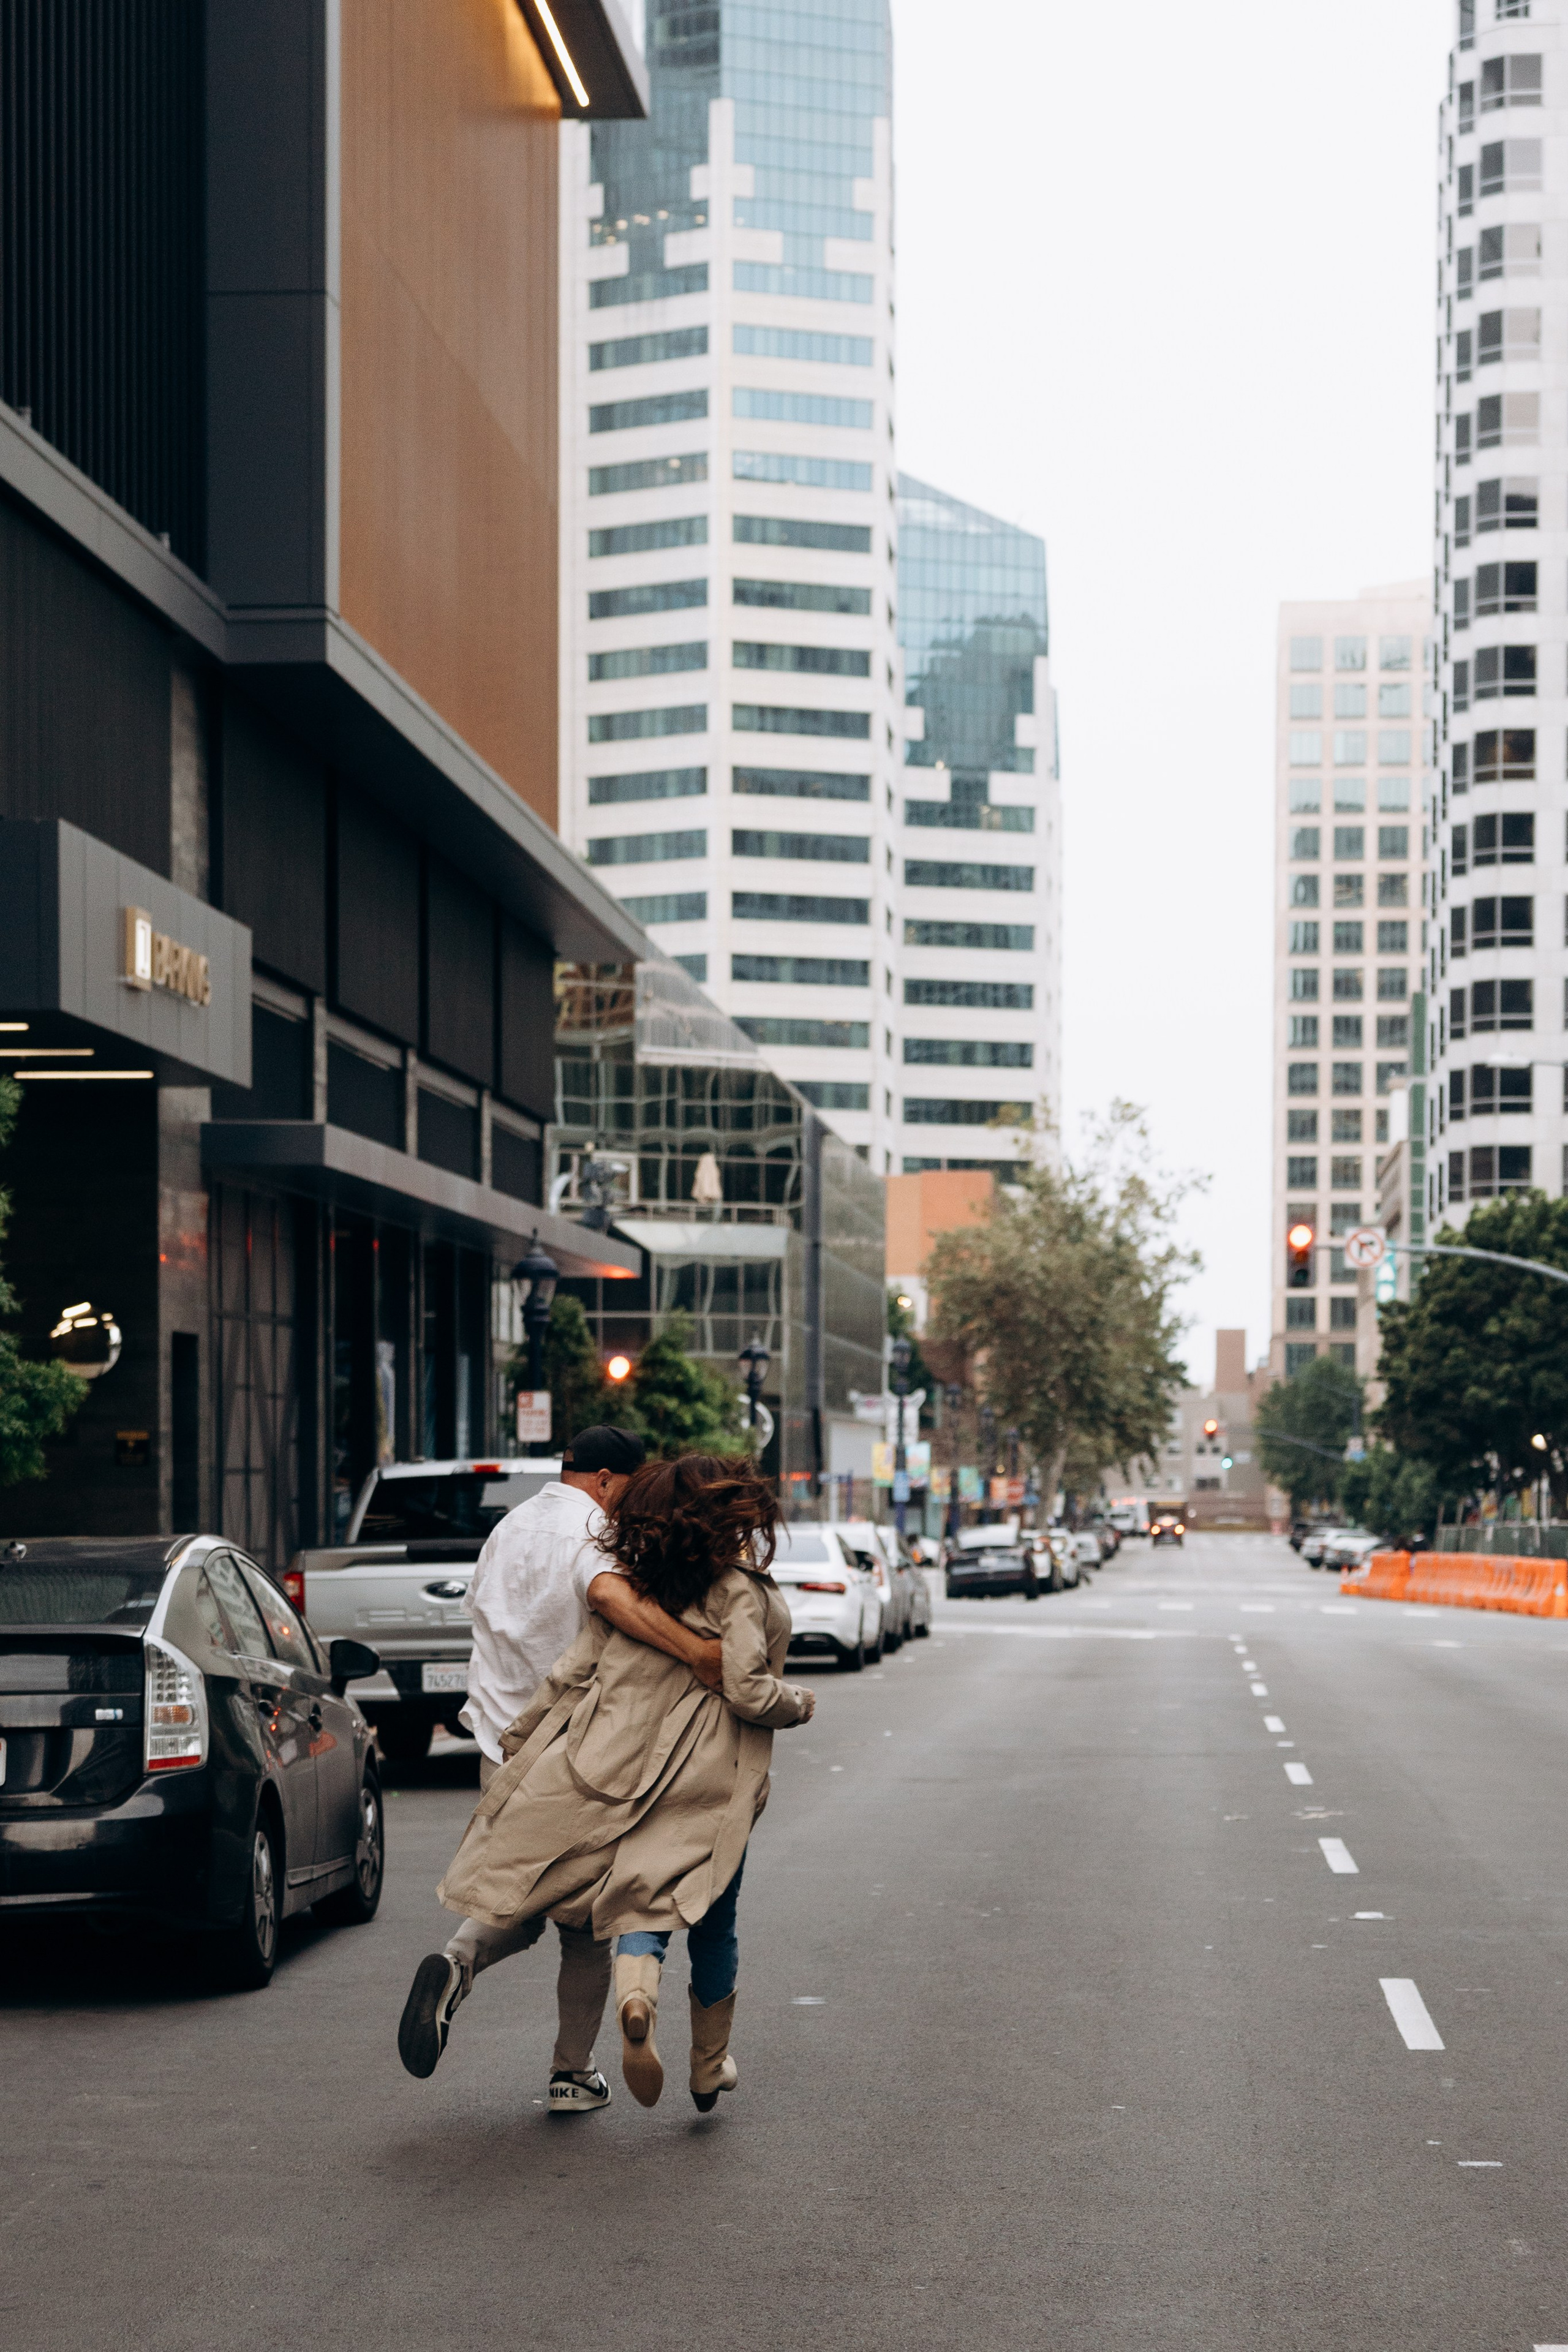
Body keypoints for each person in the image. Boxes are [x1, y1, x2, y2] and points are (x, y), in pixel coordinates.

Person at [435, 1452, 814, 2115]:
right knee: (703, 1918)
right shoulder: (735, 1591)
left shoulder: (629, 1581)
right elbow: (748, 1688)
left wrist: (521, 1738)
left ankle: (625, 1995)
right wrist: (798, 1702)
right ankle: (689, 2066)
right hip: (711, 1777)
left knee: (632, 1896)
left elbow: (567, 1674)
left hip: (614, 1764)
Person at [397, 1427, 725, 2111]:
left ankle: (457, 1962)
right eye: (629, 1490)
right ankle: (570, 2074)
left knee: (514, 1892)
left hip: (498, 1744)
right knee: (584, 1927)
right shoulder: (589, 1530)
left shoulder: (508, 1528)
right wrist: (694, 1651)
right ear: (607, 1479)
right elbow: (607, 1598)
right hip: (572, 1753)